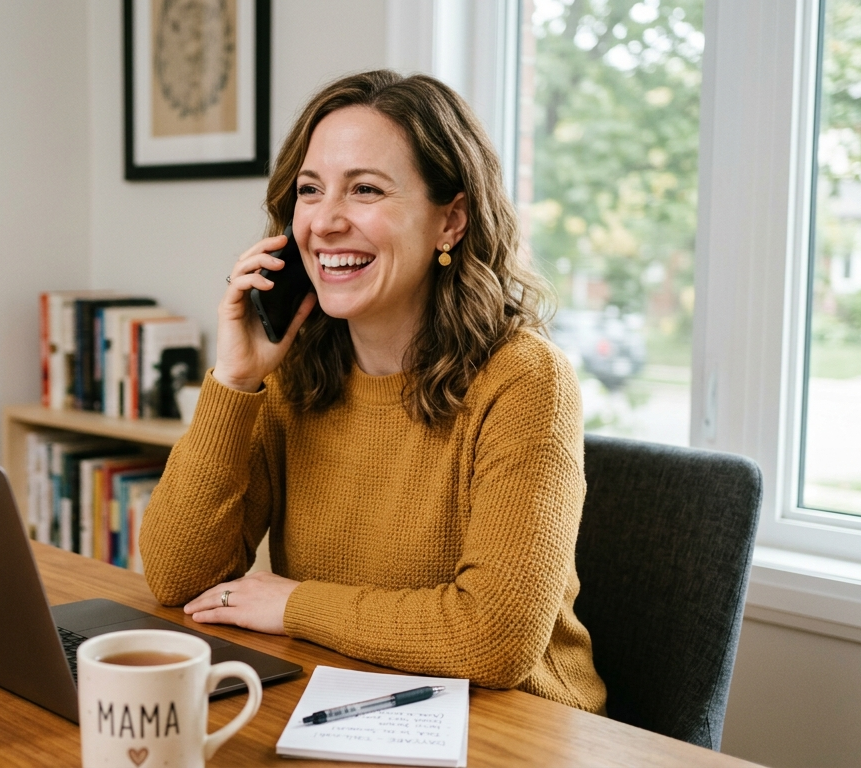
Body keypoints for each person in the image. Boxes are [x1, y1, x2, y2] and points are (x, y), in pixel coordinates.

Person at [139, 70, 606, 713]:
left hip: (512, 727)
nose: (326, 221)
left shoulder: (526, 381)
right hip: (350, 702)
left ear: (452, 220)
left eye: (365, 189)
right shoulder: (293, 372)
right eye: (309, 190)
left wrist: (293, 603)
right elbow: (176, 576)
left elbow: (493, 639)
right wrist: (236, 381)